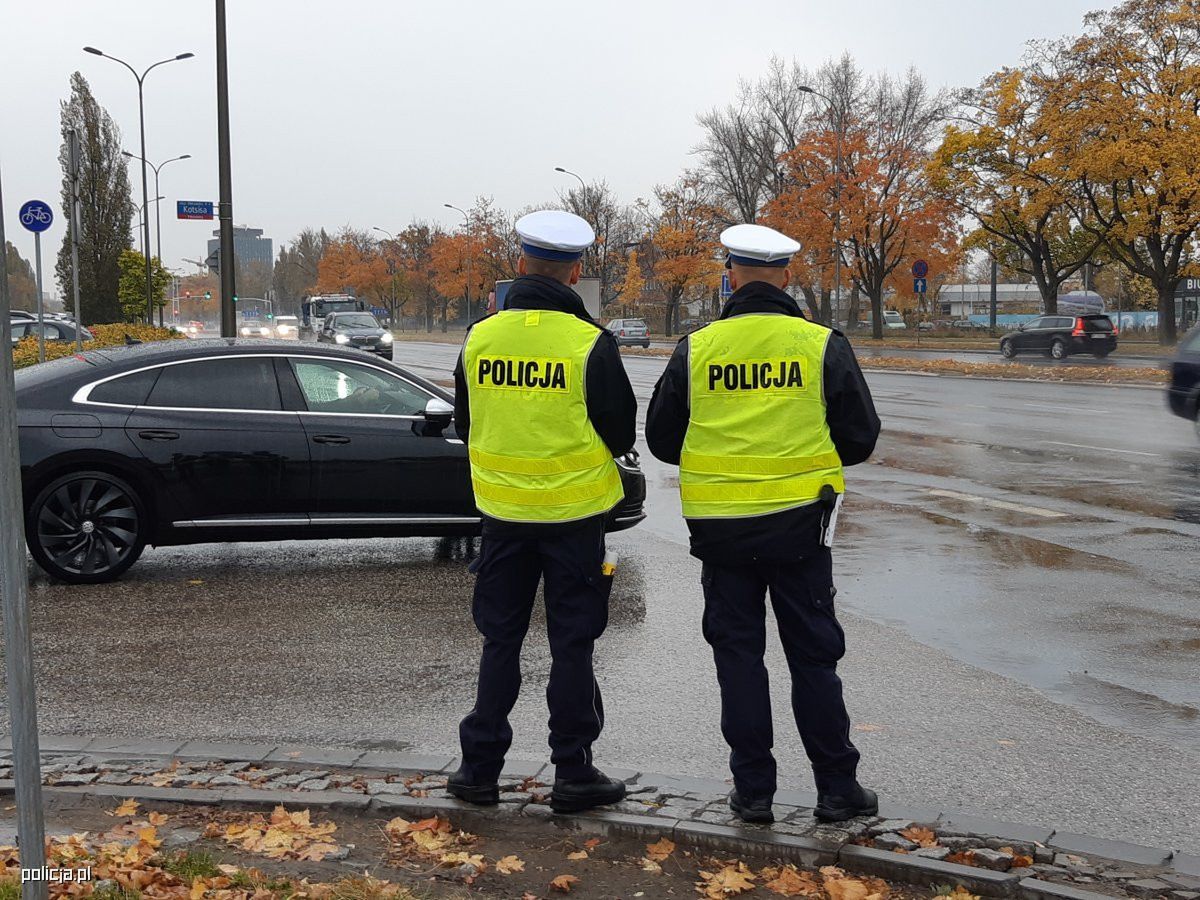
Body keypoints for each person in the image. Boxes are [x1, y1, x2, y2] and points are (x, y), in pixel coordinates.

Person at [645, 223, 881, 824]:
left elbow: (663, 441)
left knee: (739, 660)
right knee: (814, 658)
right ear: (788, 276)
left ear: (729, 275)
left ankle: (752, 793)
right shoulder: (820, 344)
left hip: (722, 533)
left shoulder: (698, 348)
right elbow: (859, 438)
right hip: (801, 530)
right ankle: (836, 789)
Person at [449, 209, 637, 814]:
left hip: (502, 515)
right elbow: (620, 431)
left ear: (521, 264)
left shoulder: (481, 337)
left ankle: (479, 770)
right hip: (575, 518)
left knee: (499, 641)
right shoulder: (590, 343)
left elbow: (466, 420)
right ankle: (573, 772)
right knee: (572, 646)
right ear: (575, 270)